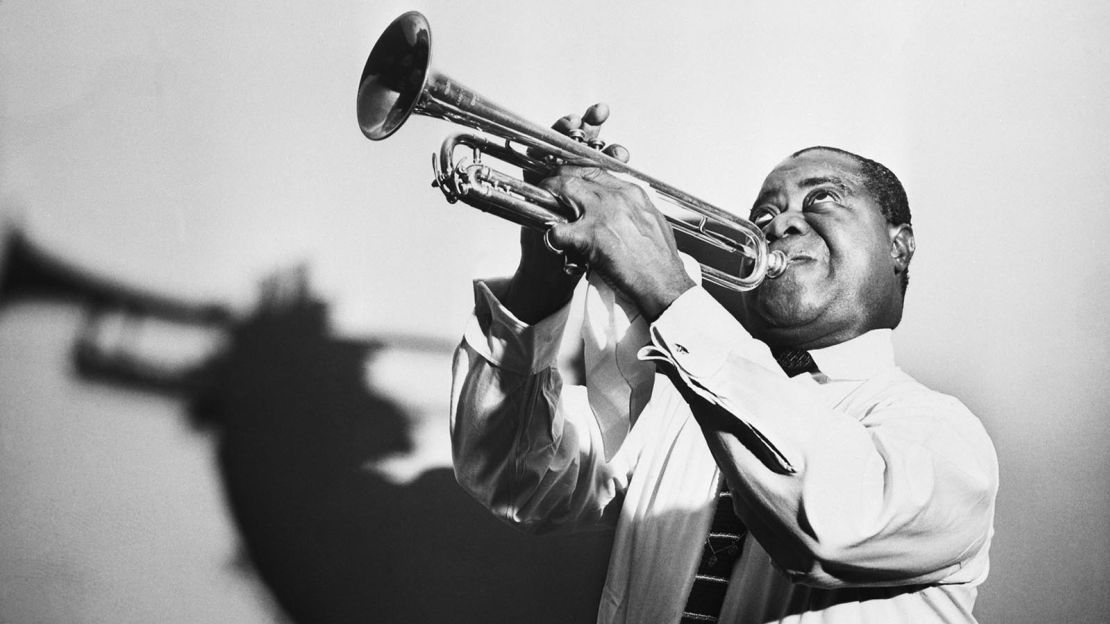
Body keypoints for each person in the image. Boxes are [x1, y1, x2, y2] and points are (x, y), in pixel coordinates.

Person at [449, 104, 998, 623]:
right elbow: (519, 480)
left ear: (899, 247)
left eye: (823, 198)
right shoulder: (675, 397)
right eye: (765, 212)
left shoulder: (943, 435)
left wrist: (668, 291)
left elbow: (831, 524)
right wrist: (542, 278)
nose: (780, 224)